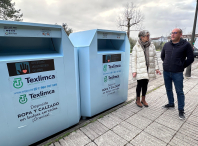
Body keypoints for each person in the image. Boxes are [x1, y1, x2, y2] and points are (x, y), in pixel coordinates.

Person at [161, 28, 194, 120]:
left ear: (180, 35)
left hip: (178, 73)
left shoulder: (186, 45)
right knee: (168, 89)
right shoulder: (167, 44)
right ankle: (171, 103)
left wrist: (181, 66)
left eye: (175, 33)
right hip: (166, 72)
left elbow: (191, 58)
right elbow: (162, 56)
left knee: (179, 91)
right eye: (171, 33)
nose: (172, 35)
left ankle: (181, 110)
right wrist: (167, 64)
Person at [131, 30, 161, 108]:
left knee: (145, 84)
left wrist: (157, 68)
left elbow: (154, 57)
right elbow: (133, 60)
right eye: (147, 35)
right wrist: (134, 71)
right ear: (142, 37)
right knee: (139, 84)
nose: (148, 37)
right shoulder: (136, 47)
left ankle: (143, 99)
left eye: (149, 35)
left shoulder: (152, 45)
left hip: (148, 68)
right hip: (140, 69)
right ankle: (137, 100)